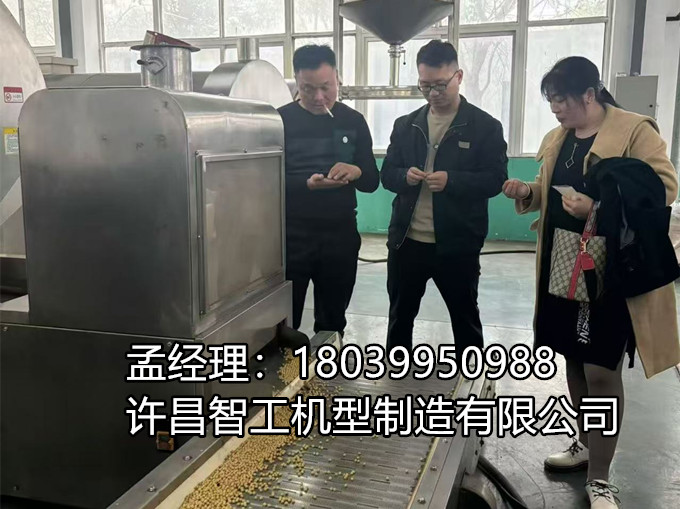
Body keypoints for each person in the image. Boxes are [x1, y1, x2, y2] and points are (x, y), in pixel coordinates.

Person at [502, 56, 680, 509]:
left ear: (589, 93)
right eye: (550, 101)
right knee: (574, 359)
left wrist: (598, 208)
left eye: (562, 100)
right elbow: (548, 188)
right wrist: (528, 192)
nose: (556, 109)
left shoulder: (635, 131)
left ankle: (600, 478)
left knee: (602, 369)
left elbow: (662, 189)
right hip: (564, 260)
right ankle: (584, 443)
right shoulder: (557, 137)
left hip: (612, 267)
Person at [381, 40, 508, 359]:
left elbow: (496, 179)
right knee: (400, 316)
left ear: (458, 76)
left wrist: (453, 180)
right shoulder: (406, 125)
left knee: (465, 317)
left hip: (457, 244)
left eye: (440, 84)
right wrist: (405, 176)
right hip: (407, 242)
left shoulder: (485, 127)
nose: (433, 93)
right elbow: (387, 174)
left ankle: (473, 375)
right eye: (425, 86)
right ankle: (397, 374)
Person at [278, 45, 379, 336]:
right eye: (308, 89)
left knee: (332, 320)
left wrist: (356, 171)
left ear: (337, 78)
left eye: (326, 87)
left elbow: (371, 181)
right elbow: (264, 181)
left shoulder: (353, 121)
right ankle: (287, 365)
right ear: (297, 82)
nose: (319, 97)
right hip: (290, 238)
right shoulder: (279, 121)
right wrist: (305, 184)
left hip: (339, 236)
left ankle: (327, 362)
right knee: (282, 323)